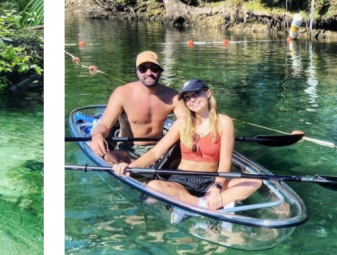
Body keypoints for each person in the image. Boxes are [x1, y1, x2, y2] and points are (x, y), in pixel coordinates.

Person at [112, 79, 262, 223]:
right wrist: (130, 167)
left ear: (208, 93)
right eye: (187, 97)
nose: (192, 100)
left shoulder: (224, 122)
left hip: (211, 180)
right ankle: (205, 205)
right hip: (182, 180)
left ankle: (193, 206)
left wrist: (217, 187)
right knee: (153, 186)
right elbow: (155, 153)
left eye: (196, 94)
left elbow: (224, 162)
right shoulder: (182, 123)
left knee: (255, 181)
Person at [88, 51, 186, 165]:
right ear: (136, 72)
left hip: (159, 149)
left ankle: (148, 170)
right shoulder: (122, 93)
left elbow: (188, 124)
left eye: (154, 68)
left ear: (160, 71)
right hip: (127, 149)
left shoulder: (173, 96)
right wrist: (97, 136)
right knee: (112, 158)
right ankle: (143, 169)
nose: (149, 73)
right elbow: (104, 125)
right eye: (143, 68)